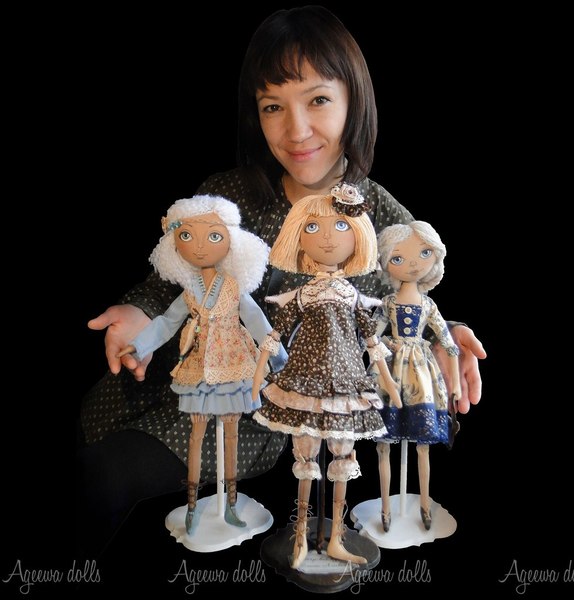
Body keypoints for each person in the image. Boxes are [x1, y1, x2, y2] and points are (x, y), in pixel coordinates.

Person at [80, 5, 486, 555]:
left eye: (318, 100)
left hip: (258, 408)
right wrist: (141, 312)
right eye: (273, 106)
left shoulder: (381, 216)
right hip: (174, 367)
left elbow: (402, 296)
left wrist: (444, 336)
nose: (296, 131)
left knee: (110, 475)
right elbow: (167, 281)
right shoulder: (229, 194)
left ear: (353, 101)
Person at [116, 196, 286, 535]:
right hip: (198, 365)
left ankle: (232, 503)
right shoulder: (189, 290)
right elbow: (167, 322)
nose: (199, 246)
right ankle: (193, 504)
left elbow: (257, 321)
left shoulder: (234, 287)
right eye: (186, 236)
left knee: (231, 432)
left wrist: (279, 356)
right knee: (196, 433)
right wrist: (140, 344)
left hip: (233, 362)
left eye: (213, 236)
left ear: (232, 242)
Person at [252, 186, 402, 568]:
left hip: (346, 381)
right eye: (313, 227)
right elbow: (275, 334)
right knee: (305, 454)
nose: (328, 237)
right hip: (305, 379)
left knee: (343, 454)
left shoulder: (352, 296)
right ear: (298, 238)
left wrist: (387, 381)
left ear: (358, 236)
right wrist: (257, 376)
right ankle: (301, 533)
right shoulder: (303, 294)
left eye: (340, 225)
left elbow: (371, 340)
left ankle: (336, 536)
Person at [372, 221, 460, 533]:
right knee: (384, 444)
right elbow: (371, 337)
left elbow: (448, 343)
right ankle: (385, 507)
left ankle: (423, 503)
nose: (412, 264)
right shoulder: (388, 303)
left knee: (423, 445)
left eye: (423, 254)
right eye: (398, 258)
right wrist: (387, 343)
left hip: (421, 371)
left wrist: (455, 386)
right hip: (391, 371)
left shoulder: (428, 305)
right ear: (386, 261)